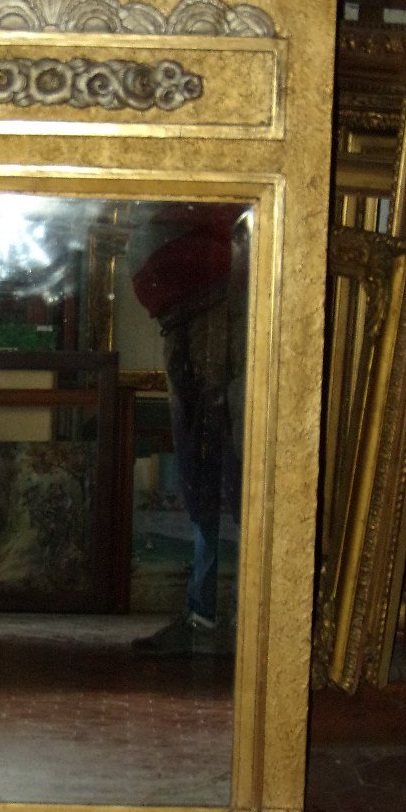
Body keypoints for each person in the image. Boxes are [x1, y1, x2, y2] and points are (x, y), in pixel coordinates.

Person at [127, 204, 248, 655]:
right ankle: (205, 614)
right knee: (200, 466)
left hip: (213, 307)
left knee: (222, 460)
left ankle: (222, 619)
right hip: (180, 315)